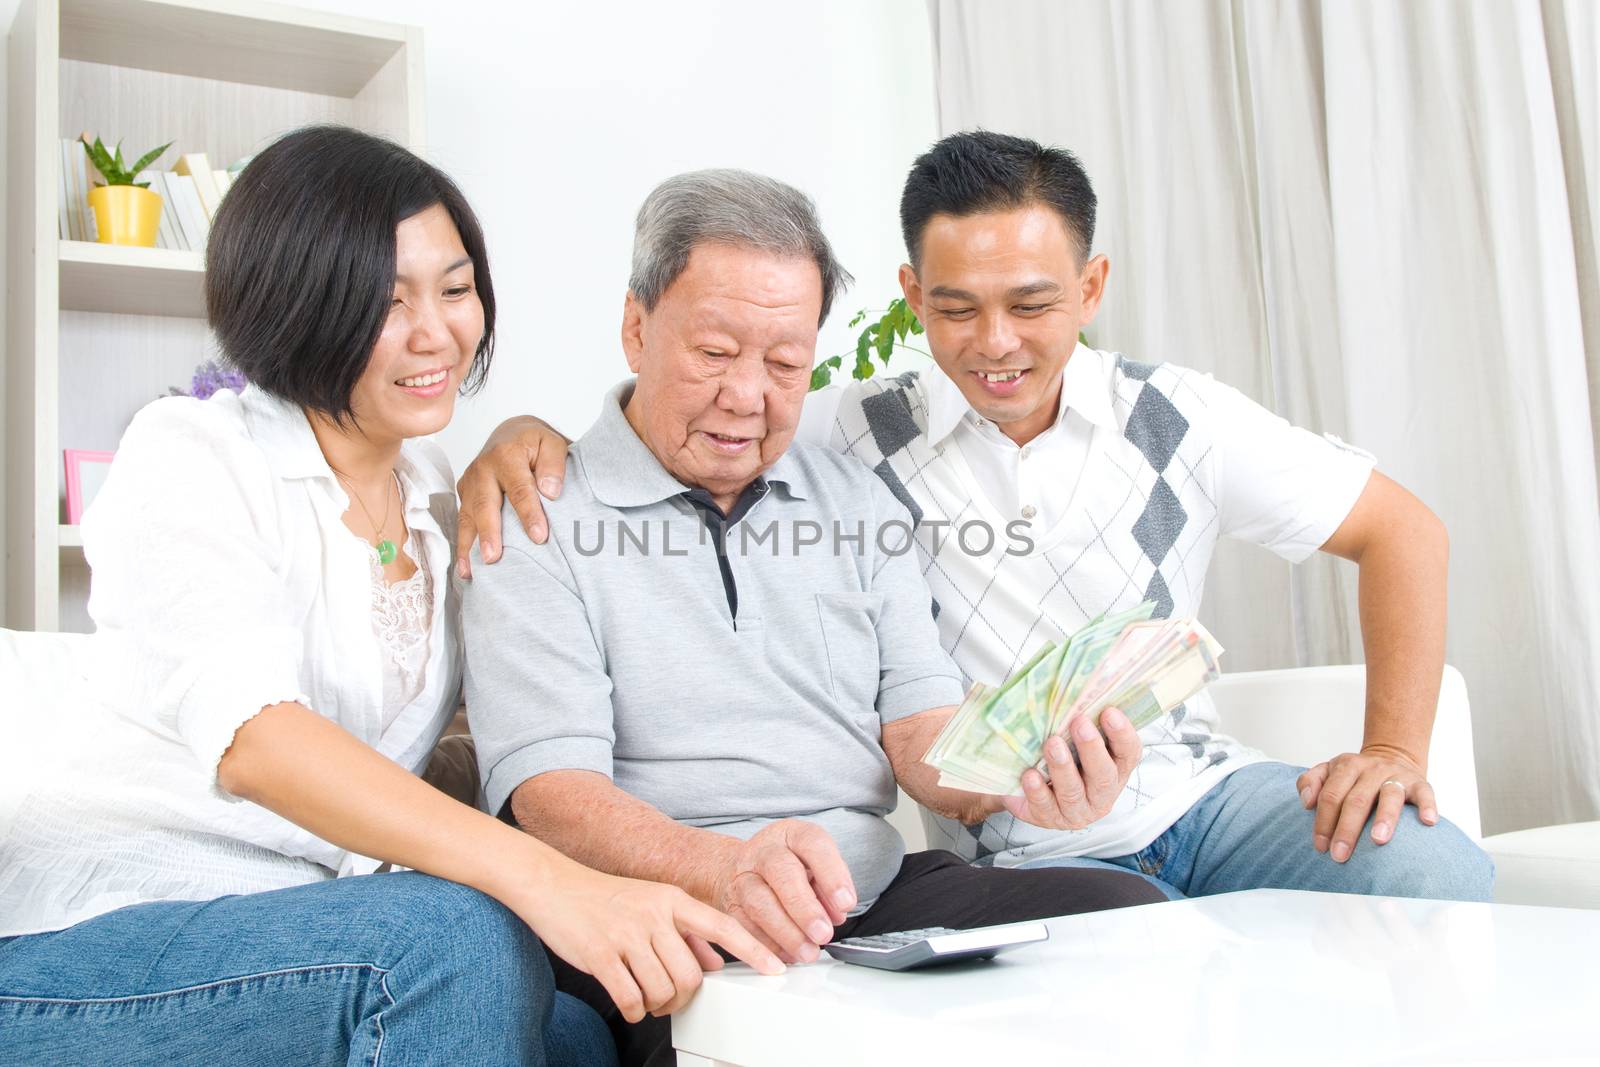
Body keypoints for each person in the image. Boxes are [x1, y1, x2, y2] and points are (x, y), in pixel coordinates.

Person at [460, 131, 1494, 904]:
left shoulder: (1180, 416)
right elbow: (677, 411)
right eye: (955, 308)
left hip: (1199, 795)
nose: (994, 343)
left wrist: (1396, 751)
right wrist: (513, 434)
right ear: (913, 297)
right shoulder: (845, 431)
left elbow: (1404, 531)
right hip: (1010, 835)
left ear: (1090, 288)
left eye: (1033, 304)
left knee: (1429, 873)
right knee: (1122, 946)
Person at [0, 126, 780, 1067]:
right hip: (89, 941)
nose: (435, 332)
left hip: (314, 932)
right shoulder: (191, 453)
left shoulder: (435, 493)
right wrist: (548, 883)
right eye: (383, 299)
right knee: (449, 943)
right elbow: (257, 741)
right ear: (293, 303)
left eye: (455, 290)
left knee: (583, 1028)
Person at [459, 168, 1170, 1067]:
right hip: (658, 916)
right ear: (636, 328)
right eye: (715, 353)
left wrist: (1029, 767)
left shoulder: (858, 502)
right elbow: (553, 797)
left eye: (786, 363)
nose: (748, 394)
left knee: (1131, 927)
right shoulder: (532, 514)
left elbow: (921, 735)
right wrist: (726, 869)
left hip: (865, 896)